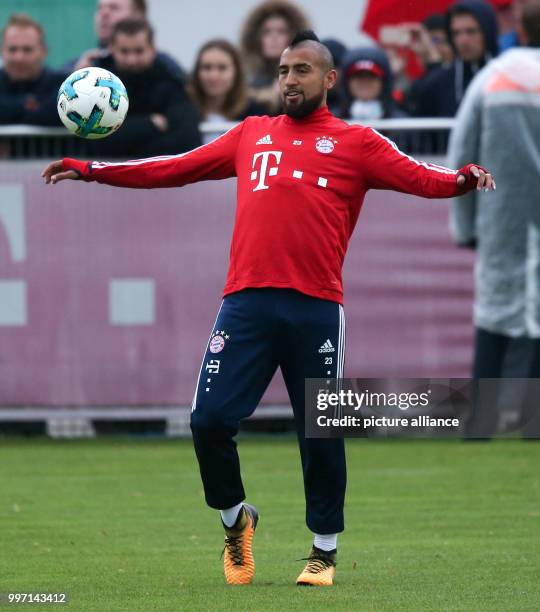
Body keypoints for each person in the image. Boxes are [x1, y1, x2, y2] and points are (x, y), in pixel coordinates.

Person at [42, 30, 494, 587]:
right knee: (207, 420)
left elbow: (421, 178)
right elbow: (174, 166)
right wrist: (93, 169)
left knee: (320, 431)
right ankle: (236, 521)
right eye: (282, 70)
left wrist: (461, 179)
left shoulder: (357, 143)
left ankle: (324, 549)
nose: (288, 80)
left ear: (329, 79)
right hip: (246, 305)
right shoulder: (252, 134)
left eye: (301, 70)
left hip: (316, 308)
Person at [448, 0, 540, 438]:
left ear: (521, 31)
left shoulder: (493, 77)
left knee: (492, 313)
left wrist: (464, 224)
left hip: (499, 216)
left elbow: (462, 151)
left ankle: (481, 421)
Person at [89, 18, 200, 158]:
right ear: (112, 49)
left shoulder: (169, 82)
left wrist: (127, 143)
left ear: (152, 49)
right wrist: (150, 124)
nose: (132, 60)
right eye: (124, 51)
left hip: (157, 175)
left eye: (139, 51)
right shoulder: (96, 83)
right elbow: (97, 142)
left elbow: (187, 139)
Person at [410, 0, 499, 117]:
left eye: (471, 31)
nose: (463, 40)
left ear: (487, 32)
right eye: (456, 33)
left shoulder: (506, 77)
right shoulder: (436, 84)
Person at [63, 0, 184, 80]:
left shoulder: (167, 70)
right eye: (100, 8)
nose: (104, 13)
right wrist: (75, 81)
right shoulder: (76, 68)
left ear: (138, 15)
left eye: (114, 8)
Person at [188, 40, 267, 144]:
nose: (213, 76)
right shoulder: (183, 109)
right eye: (207, 67)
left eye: (222, 68)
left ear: (236, 72)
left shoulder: (256, 114)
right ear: (197, 72)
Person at [240, 0, 310, 113]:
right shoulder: (249, 85)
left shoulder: (307, 79)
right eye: (267, 32)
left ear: (292, 36)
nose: (274, 37)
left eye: (281, 31)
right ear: (257, 39)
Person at [0, 14, 63, 126]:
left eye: (27, 50)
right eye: (12, 49)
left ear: (44, 52)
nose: (19, 58)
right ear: (2, 51)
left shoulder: (62, 86)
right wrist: (26, 106)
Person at [340, 46, 407, 120]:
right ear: (347, 82)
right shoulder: (330, 123)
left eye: (371, 76)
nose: (365, 81)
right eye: (358, 76)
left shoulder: (403, 123)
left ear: (383, 82)